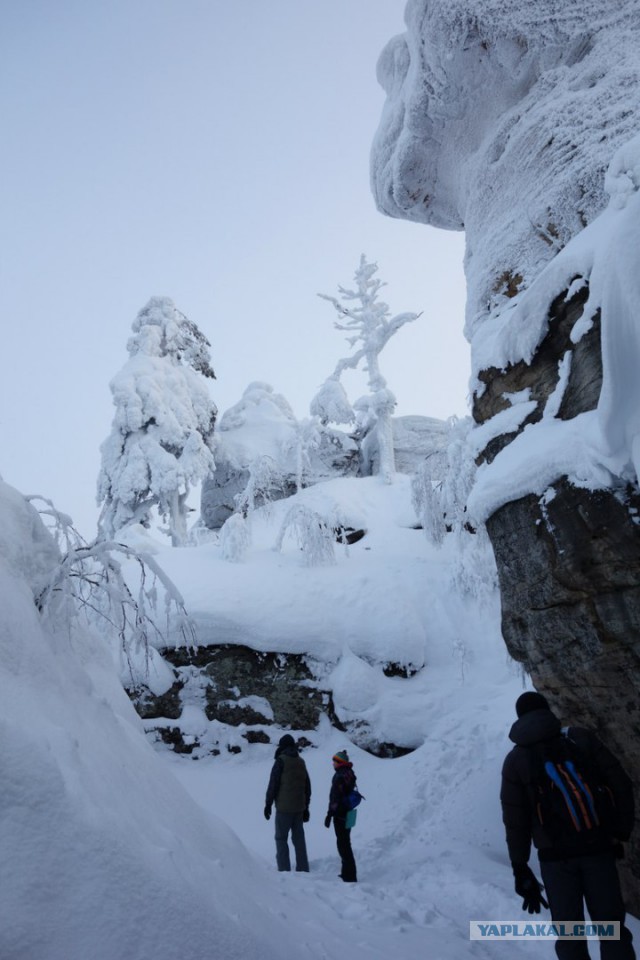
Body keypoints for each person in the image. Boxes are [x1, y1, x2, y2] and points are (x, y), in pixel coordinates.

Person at [501, 690, 636, 959]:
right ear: (547, 711)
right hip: (598, 849)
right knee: (611, 928)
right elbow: (620, 783)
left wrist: (520, 867)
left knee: (570, 933)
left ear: (520, 719)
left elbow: (515, 822)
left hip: (555, 861)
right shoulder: (578, 738)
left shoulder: (516, 761)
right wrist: (620, 831)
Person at [264, 733, 311, 872]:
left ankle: (284, 871)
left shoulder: (280, 761)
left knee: (281, 839)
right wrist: (306, 807)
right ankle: (303, 869)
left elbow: (273, 784)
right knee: (299, 840)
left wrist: (268, 804)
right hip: (299, 808)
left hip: (284, 809)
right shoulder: (301, 761)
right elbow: (307, 787)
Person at [324, 749, 357, 882]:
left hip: (340, 813)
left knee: (343, 844)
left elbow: (335, 798)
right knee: (345, 842)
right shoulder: (349, 773)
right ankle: (347, 872)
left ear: (340, 762)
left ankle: (350, 875)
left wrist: (329, 814)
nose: (333, 763)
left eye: (335, 761)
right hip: (349, 812)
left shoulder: (339, 776)